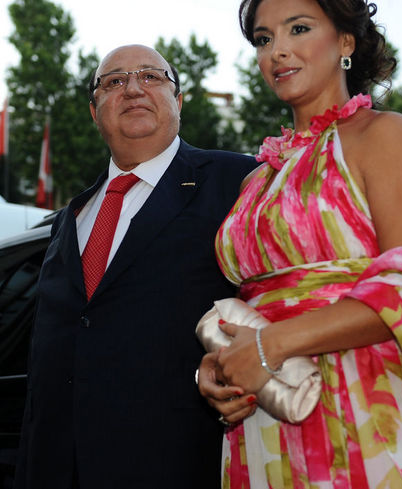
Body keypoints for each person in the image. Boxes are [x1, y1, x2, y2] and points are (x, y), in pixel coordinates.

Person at [198, 0, 402, 489]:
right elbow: (252, 304)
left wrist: (270, 345)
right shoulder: (256, 178)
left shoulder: (384, 135)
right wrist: (219, 368)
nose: (277, 51)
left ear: (345, 41)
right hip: (265, 411)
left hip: (361, 402)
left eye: (298, 29)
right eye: (263, 39)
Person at [14, 44, 257, 489]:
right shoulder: (72, 217)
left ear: (178, 100)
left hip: (178, 462)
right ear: (95, 111)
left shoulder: (238, 182)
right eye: (113, 81)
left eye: (150, 76)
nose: (132, 89)